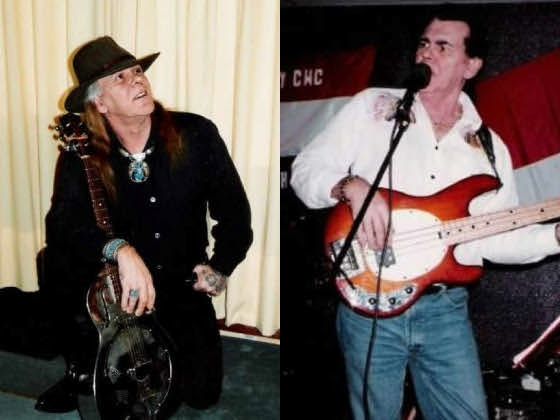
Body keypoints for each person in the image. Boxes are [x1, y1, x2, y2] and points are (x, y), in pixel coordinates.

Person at [290, 7, 560, 420]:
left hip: (445, 310)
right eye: (423, 43)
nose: (426, 53)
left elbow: (496, 238)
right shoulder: (372, 108)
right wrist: (352, 187)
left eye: (442, 46)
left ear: (471, 65)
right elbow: (305, 172)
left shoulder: (489, 148)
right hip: (368, 301)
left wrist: (551, 237)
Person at [35, 36, 252, 415]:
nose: (138, 81)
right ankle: (80, 368)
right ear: (99, 103)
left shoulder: (196, 135)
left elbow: (235, 213)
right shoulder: (83, 151)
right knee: (55, 261)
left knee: (202, 394)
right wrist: (120, 250)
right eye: (120, 78)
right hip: (113, 284)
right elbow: (62, 222)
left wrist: (220, 267)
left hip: (176, 279)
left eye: (137, 71)